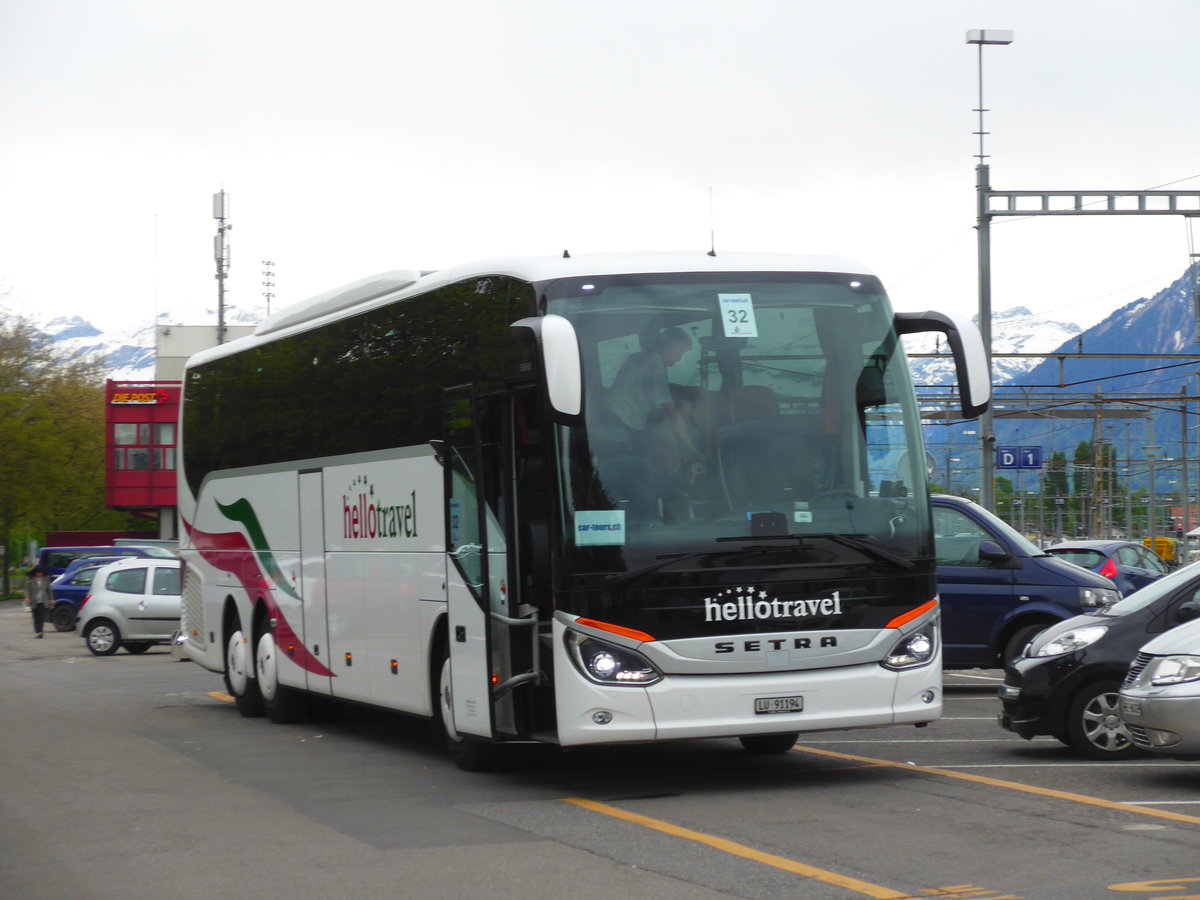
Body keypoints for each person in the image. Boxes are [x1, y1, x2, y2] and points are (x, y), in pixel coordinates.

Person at [608, 326, 704, 490]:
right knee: (646, 469)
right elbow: (671, 411)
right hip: (623, 424)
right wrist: (690, 448)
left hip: (613, 419)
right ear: (666, 348)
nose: (679, 360)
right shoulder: (655, 364)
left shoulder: (640, 358)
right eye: (678, 354)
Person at [26, 565, 53, 638]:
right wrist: (27, 597)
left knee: (41, 617)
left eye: (41, 573)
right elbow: (27, 589)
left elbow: (49, 590)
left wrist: (51, 599)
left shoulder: (45, 579)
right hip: (34, 601)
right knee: (36, 617)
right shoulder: (31, 579)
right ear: (35, 572)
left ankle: (40, 631)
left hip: (43, 601)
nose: (40, 574)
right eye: (38, 573)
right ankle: (37, 632)